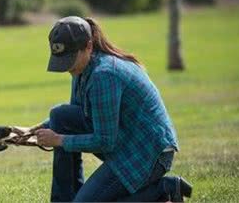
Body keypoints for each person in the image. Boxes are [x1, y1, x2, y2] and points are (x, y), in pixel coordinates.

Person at [13, 16, 192, 202]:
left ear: (88, 46)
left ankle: (164, 190)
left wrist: (58, 140)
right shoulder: (82, 70)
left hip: (147, 154)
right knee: (60, 116)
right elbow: (74, 117)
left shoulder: (104, 75)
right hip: (126, 143)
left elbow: (105, 141)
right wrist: (33, 130)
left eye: (70, 59)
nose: (68, 68)